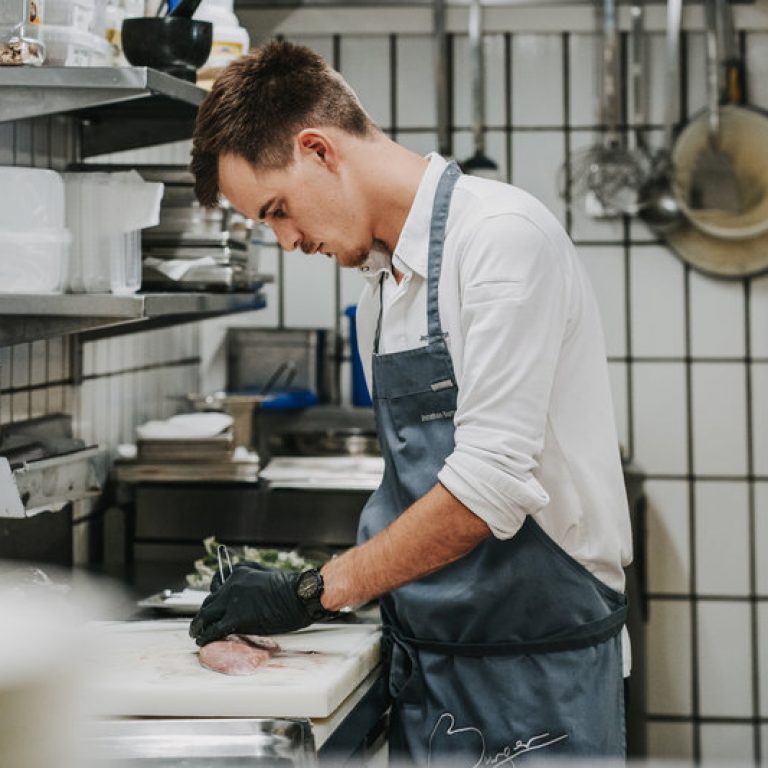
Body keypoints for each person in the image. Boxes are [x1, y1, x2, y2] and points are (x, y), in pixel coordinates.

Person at [188, 40, 633, 764]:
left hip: (537, 674)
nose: (287, 240)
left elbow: (485, 488)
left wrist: (312, 591)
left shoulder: (497, 242)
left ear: (318, 150)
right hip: (432, 669)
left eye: (278, 211)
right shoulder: (383, 291)